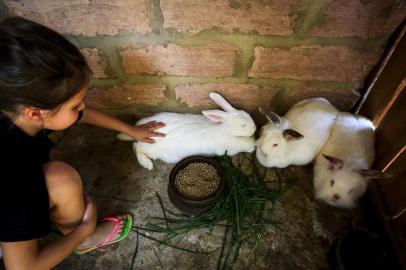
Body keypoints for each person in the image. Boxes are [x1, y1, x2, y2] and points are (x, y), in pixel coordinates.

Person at [0, 16, 165, 269]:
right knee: (62, 178)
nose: (83, 106)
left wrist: (130, 130)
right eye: (76, 103)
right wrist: (84, 229)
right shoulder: (15, 178)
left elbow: (78, 115)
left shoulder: (11, 102)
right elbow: (22, 268)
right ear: (35, 113)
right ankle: (83, 241)